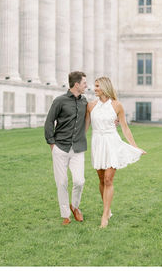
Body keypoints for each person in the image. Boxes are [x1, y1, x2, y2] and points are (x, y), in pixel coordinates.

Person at [85, 76, 146, 228]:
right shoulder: (90, 106)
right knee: (100, 179)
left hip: (112, 142)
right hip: (97, 143)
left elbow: (125, 127)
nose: (95, 89)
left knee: (108, 180)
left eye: (97, 86)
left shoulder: (117, 105)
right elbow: (85, 127)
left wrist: (135, 146)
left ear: (105, 87)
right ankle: (108, 209)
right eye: (95, 86)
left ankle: (105, 216)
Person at [44, 71, 88, 225]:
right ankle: (66, 215)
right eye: (84, 83)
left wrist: (114, 120)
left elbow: (96, 114)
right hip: (60, 148)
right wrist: (52, 144)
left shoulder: (85, 102)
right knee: (62, 182)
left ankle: (75, 207)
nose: (86, 86)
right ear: (76, 84)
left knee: (79, 181)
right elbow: (49, 122)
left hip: (78, 148)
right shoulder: (59, 101)